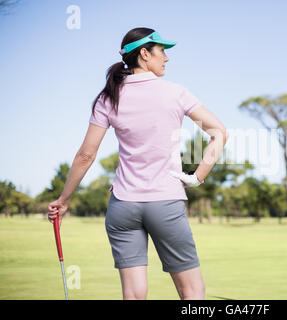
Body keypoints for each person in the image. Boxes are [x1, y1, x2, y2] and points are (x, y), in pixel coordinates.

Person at [47, 27, 229, 300]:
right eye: (162, 52)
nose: (166, 59)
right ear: (145, 54)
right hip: (165, 202)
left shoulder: (108, 96)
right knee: (192, 292)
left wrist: (64, 199)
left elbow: (86, 155)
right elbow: (219, 132)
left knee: (133, 295)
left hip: (123, 206)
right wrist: (197, 176)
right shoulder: (176, 93)